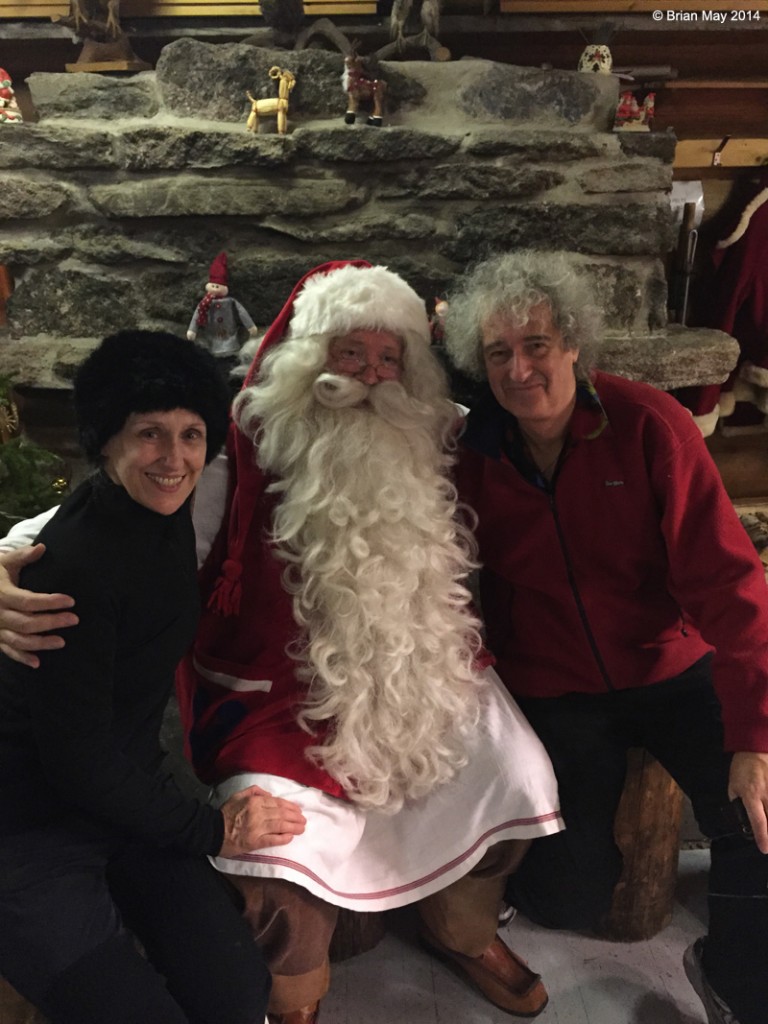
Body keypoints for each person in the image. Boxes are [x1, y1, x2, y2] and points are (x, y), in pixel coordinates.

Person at [0, 262, 562, 1024]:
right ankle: (297, 998)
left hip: (425, 671)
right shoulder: (237, 450)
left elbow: (539, 424)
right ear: (308, 359)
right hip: (281, 691)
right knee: (279, 849)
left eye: (387, 355)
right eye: (349, 352)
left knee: (520, 773)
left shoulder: (434, 430)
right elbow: (104, 518)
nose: (369, 374)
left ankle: (458, 928)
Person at [442, 250, 768, 1024]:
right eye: (498, 353)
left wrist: (757, 734)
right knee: (569, 897)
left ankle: (735, 982)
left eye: (537, 345)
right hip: (556, 690)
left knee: (755, 821)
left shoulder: (650, 425)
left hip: (672, 666)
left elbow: (730, 585)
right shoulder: (469, 459)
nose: (520, 369)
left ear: (575, 345)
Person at [0, 330, 305, 1024]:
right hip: (24, 829)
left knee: (236, 993)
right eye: (149, 435)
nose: (174, 459)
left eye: (191, 434)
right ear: (105, 442)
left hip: (119, 801)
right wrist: (209, 831)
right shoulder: (75, 566)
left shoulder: (159, 512)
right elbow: (76, 761)